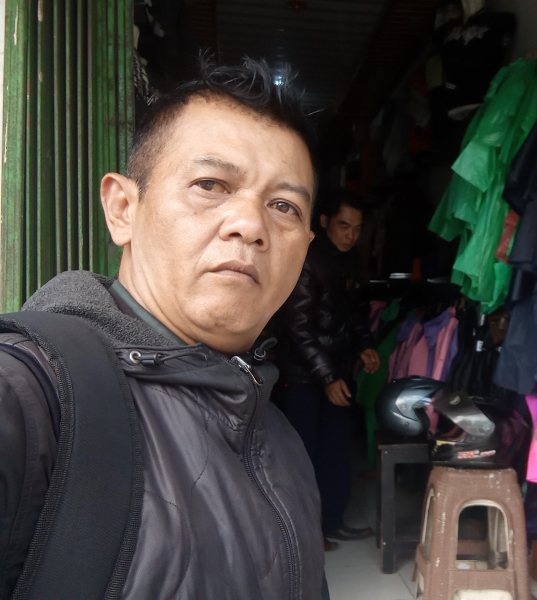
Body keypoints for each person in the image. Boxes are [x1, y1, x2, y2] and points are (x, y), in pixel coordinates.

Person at [0, 58, 327, 599]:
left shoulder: (280, 443)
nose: (251, 225)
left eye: (284, 206)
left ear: (305, 249)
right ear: (123, 208)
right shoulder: (31, 396)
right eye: (210, 184)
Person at [273, 189, 380, 552]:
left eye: (357, 229)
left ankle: (332, 521)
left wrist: (365, 344)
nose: (350, 235)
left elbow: (355, 311)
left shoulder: (351, 260)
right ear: (324, 222)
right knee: (303, 456)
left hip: (336, 369)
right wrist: (328, 377)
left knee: (335, 450)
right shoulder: (307, 260)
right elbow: (298, 329)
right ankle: (304, 535)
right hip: (304, 376)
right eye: (344, 226)